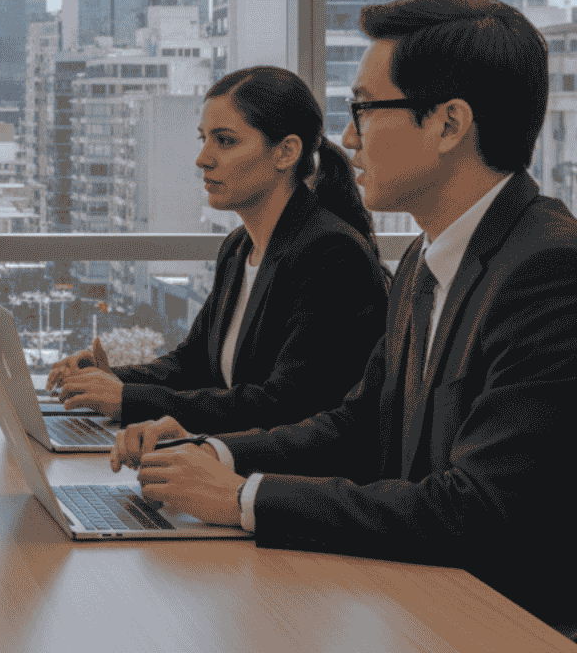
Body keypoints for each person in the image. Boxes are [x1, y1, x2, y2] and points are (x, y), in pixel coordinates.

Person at [111, 0, 577, 632]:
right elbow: (360, 427)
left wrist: (245, 499)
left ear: (447, 124)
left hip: (501, 625)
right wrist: (216, 453)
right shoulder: (423, 261)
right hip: (415, 604)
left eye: (365, 109)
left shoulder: (548, 270)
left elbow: (481, 508)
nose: (350, 138)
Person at [44, 66, 390, 433]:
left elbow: (286, 404)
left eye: (224, 141)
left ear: (286, 152)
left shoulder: (330, 254)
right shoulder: (239, 247)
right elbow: (193, 364)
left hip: (284, 481)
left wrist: (129, 400)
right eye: (204, 138)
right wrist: (108, 379)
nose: (203, 158)